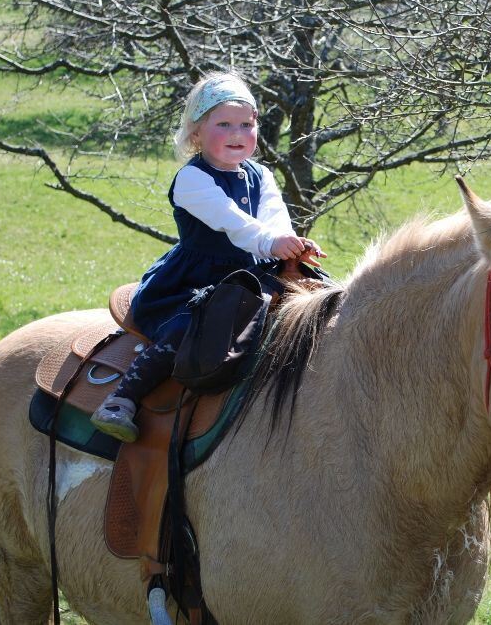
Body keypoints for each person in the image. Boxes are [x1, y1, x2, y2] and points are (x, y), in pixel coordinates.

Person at [91, 71, 325, 443]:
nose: (237, 133)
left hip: (255, 270)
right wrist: (271, 241)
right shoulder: (193, 180)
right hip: (199, 280)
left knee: (321, 301)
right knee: (189, 327)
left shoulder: (260, 174)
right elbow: (234, 223)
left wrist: (292, 244)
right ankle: (122, 398)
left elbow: (273, 217)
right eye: (224, 124)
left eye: (246, 124)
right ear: (196, 133)